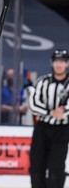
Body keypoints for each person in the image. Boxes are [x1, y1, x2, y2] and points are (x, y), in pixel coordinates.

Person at [29, 49, 69, 188]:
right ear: (52, 63)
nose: (59, 64)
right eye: (56, 61)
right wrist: (51, 112)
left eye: (63, 61)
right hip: (42, 129)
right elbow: (33, 104)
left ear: (67, 64)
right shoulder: (42, 82)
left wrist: (65, 112)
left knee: (56, 170)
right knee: (36, 168)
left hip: (62, 130)